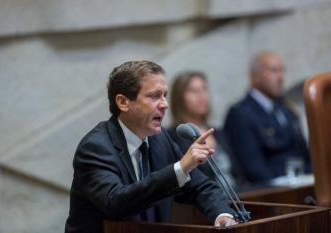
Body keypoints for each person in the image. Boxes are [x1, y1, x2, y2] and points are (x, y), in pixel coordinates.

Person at [64, 61, 237, 233]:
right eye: (154, 96)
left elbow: (200, 186)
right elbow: (115, 202)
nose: (165, 104)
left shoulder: (160, 140)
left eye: (165, 95)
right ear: (123, 102)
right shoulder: (96, 147)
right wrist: (179, 169)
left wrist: (221, 214)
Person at [224, 51, 311, 184]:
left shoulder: (287, 109)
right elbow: (253, 169)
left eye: (282, 71)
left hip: (304, 183)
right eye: (274, 71)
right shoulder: (241, 114)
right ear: (255, 76)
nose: (281, 77)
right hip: (273, 193)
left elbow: (304, 154)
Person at [168, 71, 237, 187]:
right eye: (193, 91)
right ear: (179, 98)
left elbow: (237, 173)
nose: (201, 95)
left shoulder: (219, 132)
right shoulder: (173, 137)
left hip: (239, 197)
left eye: (204, 89)